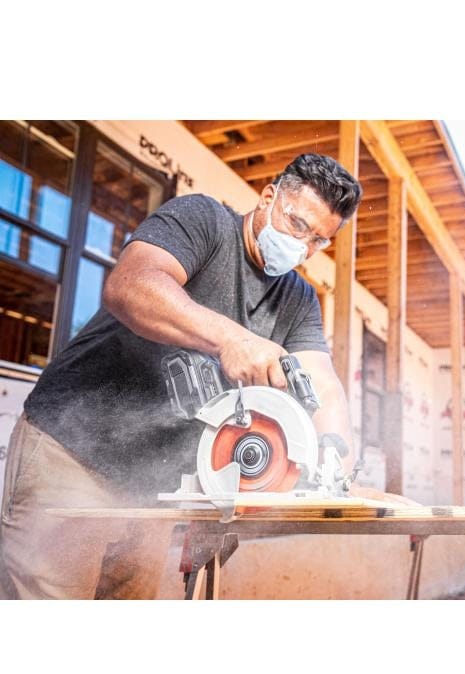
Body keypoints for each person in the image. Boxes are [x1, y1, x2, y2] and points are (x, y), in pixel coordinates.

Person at [0, 153, 402, 600]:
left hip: (153, 486)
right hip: (72, 455)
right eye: (296, 224)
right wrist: (232, 339)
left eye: (318, 241)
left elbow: (322, 384)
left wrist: (334, 470)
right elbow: (131, 285)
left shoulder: (298, 297)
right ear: (268, 197)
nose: (302, 245)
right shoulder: (203, 220)